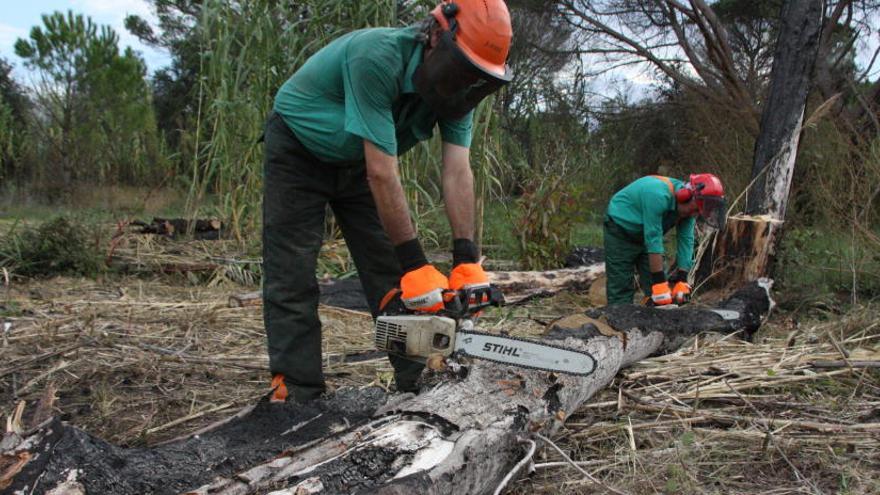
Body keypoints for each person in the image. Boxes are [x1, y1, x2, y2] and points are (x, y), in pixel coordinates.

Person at [262, 0, 513, 403]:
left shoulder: (456, 91)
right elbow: (382, 171)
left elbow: (458, 171)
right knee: (292, 268)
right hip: (300, 149)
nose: (465, 81)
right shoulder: (376, 57)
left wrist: (466, 256)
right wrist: (416, 261)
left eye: (475, 74)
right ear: (435, 34)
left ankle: (420, 379)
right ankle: (296, 390)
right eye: (461, 67)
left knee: (392, 276)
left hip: (359, 160)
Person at [603, 174, 726, 306]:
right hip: (621, 229)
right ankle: (617, 316)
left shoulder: (688, 212)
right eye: (695, 209)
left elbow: (686, 241)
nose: (694, 214)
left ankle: (649, 317)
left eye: (698, 212)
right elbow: (653, 239)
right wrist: (659, 282)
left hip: (646, 234)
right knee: (621, 286)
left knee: (659, 293)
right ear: (685, 195)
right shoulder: (658, 194)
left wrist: (682, 280)